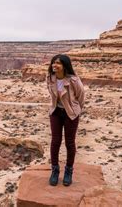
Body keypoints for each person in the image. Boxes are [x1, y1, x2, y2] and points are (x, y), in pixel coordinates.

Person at [46, 54, 85, 186]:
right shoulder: (50, 78)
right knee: (55, 141)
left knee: (69, 143)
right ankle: (55, 171)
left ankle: (68, 171)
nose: (54, 65)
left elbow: (81, 97)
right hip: (56, 112)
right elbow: (52, 94)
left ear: (65, 65)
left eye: (58, 63)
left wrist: (75, 109)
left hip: (70, 114)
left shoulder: (74, 80)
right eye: (53, 63)